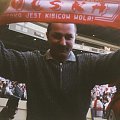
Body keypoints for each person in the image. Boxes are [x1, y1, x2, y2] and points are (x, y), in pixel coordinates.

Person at [0, 23, 120, 120]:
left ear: (75, 37)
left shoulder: (88, 65)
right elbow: (3, 60)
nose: (63, 43)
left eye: (69, 37)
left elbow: (115, 62)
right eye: (57, 36)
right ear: (47, 35)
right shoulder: (32, 62)